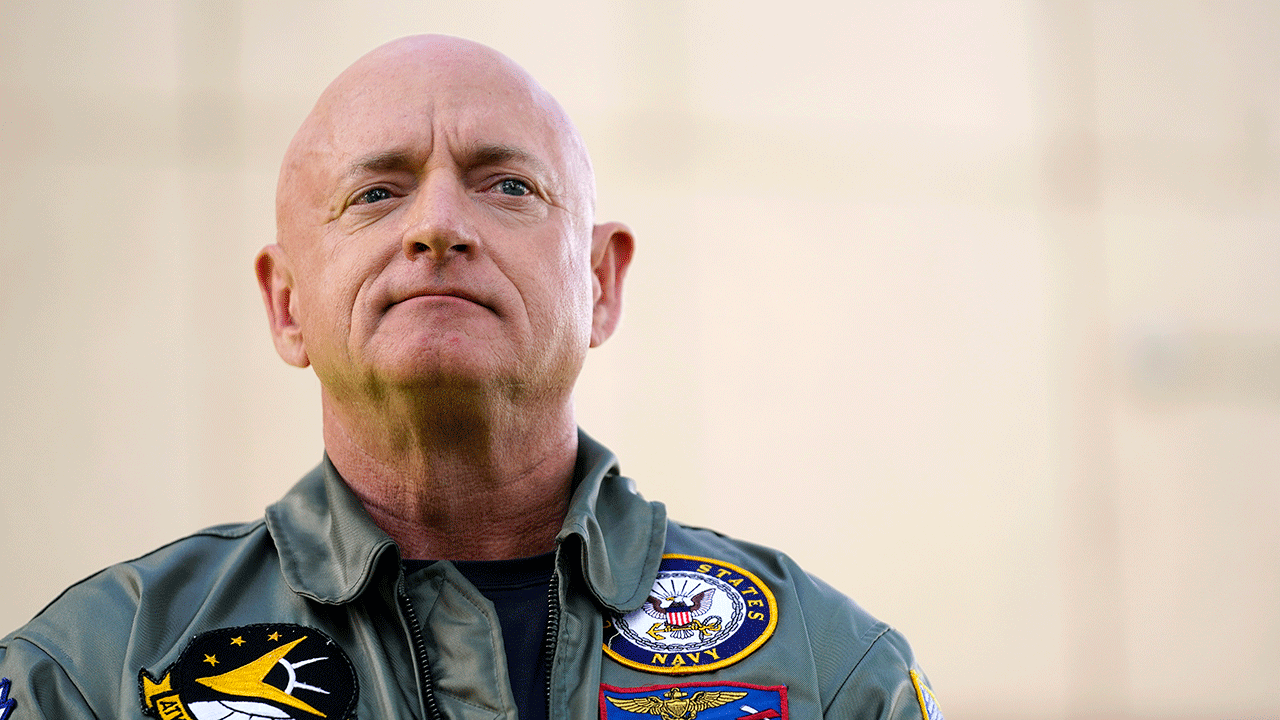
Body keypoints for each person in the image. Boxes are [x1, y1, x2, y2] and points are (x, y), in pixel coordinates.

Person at [0, 35, 944, 719]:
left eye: (508, 186)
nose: (438, 225)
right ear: (287, 305)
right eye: (376, 193)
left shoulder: (830, 674)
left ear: (601, 282)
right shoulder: (93, 676)